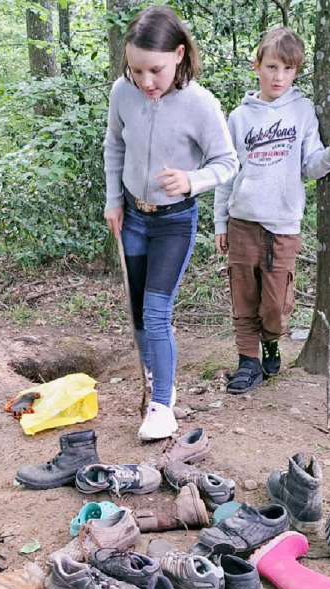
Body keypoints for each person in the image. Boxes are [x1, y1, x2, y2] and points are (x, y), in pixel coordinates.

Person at [103, 5, 238, 441]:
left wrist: (191, 180)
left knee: (157, 312)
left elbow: (228, 162)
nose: (146, 81)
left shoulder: (200, 104)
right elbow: (114, 147)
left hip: (175, 221)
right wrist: (113, 201)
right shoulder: (123, 92)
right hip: (133, 215)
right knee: (139, 312)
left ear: (179, 55)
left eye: (155, 70)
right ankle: (154, 380)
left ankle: (163, 405)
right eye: (136, 69)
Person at [214, 27, 330, 394]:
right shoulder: (239, 117)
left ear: (296, 72)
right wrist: (220, 221)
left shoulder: (302, 111)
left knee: (275, 301)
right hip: (242, 220)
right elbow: (227, 173)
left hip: (283, 224)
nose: (279, 76)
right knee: (243, 296)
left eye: (288, 69)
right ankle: (247, 362)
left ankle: (271, 340)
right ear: (256, 65)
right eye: (272, 66)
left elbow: (310, 165)